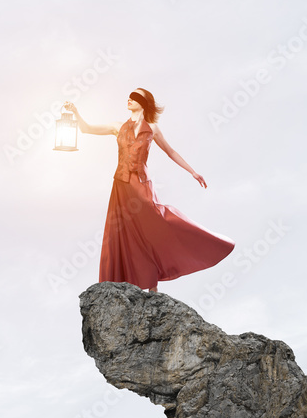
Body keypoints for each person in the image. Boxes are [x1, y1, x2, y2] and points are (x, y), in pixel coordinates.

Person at [63, 88, 234, 292]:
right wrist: (76, 113)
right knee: (124, 233)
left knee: (153, 224)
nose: (129, 99)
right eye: (128, 96)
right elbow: (86, 129)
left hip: (141, 184)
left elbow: (170, 151)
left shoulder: (152, 128)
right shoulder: (117, 126)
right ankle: (136, 285)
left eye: (134, 97)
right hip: (121, 185)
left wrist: (193, 172)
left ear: (143, 103)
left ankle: (176, 264)